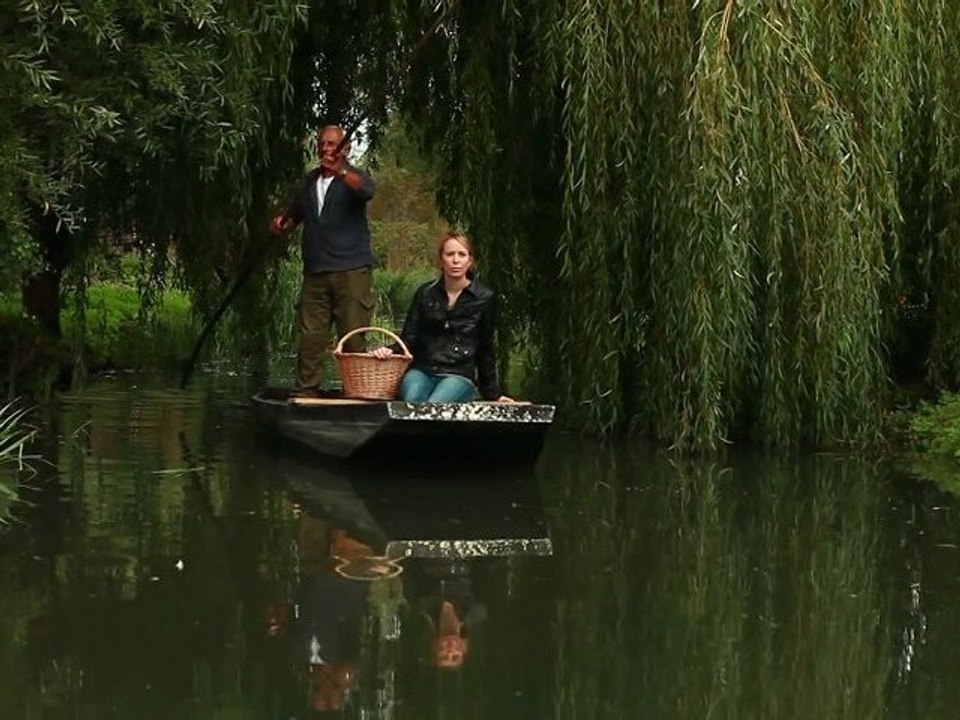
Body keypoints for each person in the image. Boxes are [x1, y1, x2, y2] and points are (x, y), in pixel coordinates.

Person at [271, 125, 376, 396]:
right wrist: (283, 223)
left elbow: (366, 191)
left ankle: (357, 393)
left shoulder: (354, 177)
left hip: (351, 270)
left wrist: (340, 171)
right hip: (315, 271)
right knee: (311, 337)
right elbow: (294, 215)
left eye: (332, 144)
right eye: (322, 144)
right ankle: (306, 393)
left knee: (352, 337)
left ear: (345, 149)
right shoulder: (309, 181)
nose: (325, 149)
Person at [371, 232, 514, 403]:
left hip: (458, 374)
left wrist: (493, 393)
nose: (456, 260)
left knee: (435, 405)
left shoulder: (484, 297)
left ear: (470, 260)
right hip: (422, 370)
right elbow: (410, 336)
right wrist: (389, 350)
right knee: (411, 401)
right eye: (450, 254)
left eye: (462, 255)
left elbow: (485, 347)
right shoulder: (425, 293)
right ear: (441, 260)